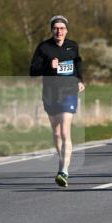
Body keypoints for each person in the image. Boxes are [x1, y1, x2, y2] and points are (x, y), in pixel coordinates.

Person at [29, 16, 85, 187]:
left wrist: (80, 80)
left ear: (66, 30)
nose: (59, 31)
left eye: (62, 28)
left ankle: (63, 171)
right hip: (50, 94)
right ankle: (62, 161)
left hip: (69, 92)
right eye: (56, 28)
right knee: (57, 133)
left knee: (65, 132)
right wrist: (48, 66)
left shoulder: (72, 46)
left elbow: (77, 64)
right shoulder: (44, 47)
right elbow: (33, 71)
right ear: (52, 30)